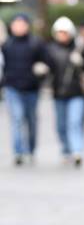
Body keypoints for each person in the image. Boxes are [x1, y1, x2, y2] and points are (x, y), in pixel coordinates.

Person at [1, 13, 48, 165]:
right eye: (16, 24)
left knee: (31, 120)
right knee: (17, 118)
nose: (19, 27)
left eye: (22, 24)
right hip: (12, 87)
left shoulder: (36, 43)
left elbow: (47, 62)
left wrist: (40, 74)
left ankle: (31, 149)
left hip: (31, 88)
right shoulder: (6, 44)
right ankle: (18, 151)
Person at [47, 16, 84, 167]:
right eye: (59, 32)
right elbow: (48, 69)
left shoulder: (79, 48)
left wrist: (81, 63)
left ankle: (77, 151)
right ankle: (65, 150)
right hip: (58, 93)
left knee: (74, 122)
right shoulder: (50, 49)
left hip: (77, 93)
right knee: (61, 125)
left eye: (64, 32)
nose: (62, 35)